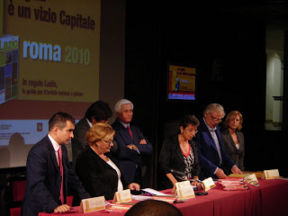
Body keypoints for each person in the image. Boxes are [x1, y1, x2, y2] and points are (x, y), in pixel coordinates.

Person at [22, 112, 90, 216]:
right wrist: (53, 206)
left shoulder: (62, 149)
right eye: (69, 131)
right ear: (56, 130)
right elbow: (36, 184)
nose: (72, 136)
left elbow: (72, 177)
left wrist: (86, 198)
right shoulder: (38, 151)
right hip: (40, 210)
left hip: (57, 208)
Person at [75, 122, 140, 200]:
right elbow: (94, 190)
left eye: (112, 141)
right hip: (100, 205)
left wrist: (127, 186)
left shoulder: (108, 155)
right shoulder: (86, 159)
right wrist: (118, 197)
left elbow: (115, 180)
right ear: (97, 141)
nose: (112, 144)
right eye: (108, 141)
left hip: (118, 201)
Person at [111, 99, 153, 185]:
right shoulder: (113, 129)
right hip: (124, 173)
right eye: (126, 111)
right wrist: (140, 147)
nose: (129, 114)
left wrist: (135, 147)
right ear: (118, 114)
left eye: (131, 111)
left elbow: (149, 148)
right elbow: (122, 152)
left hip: (139, 171)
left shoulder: (135, 129)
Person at [196, 103, 242, 179]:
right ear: (205, 114)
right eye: (214, 118)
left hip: (219, 172)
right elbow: (198, 155)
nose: (216, 122)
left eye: (219, 119)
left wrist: (232, 166)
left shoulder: (217, 128)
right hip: (205, 175)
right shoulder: (197, 129)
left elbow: (222, 152)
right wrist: (215, 170)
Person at [159, 115, 201, 189]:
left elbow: (196, 165)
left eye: (195, 130)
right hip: (172, 186)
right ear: (182, 129)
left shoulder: (192, 144)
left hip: (189, 186)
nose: (193, 134)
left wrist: (195, 180)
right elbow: (164, 166)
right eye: (190, 130)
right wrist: (176, 184)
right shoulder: (170, 143)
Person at [71, 100, 112, 169]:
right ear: (93, 119)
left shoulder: (103, 127)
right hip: (84, 168)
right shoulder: (81, 129)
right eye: (104, 120)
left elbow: (115, 146)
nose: (107, 123)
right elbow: (91, 149)